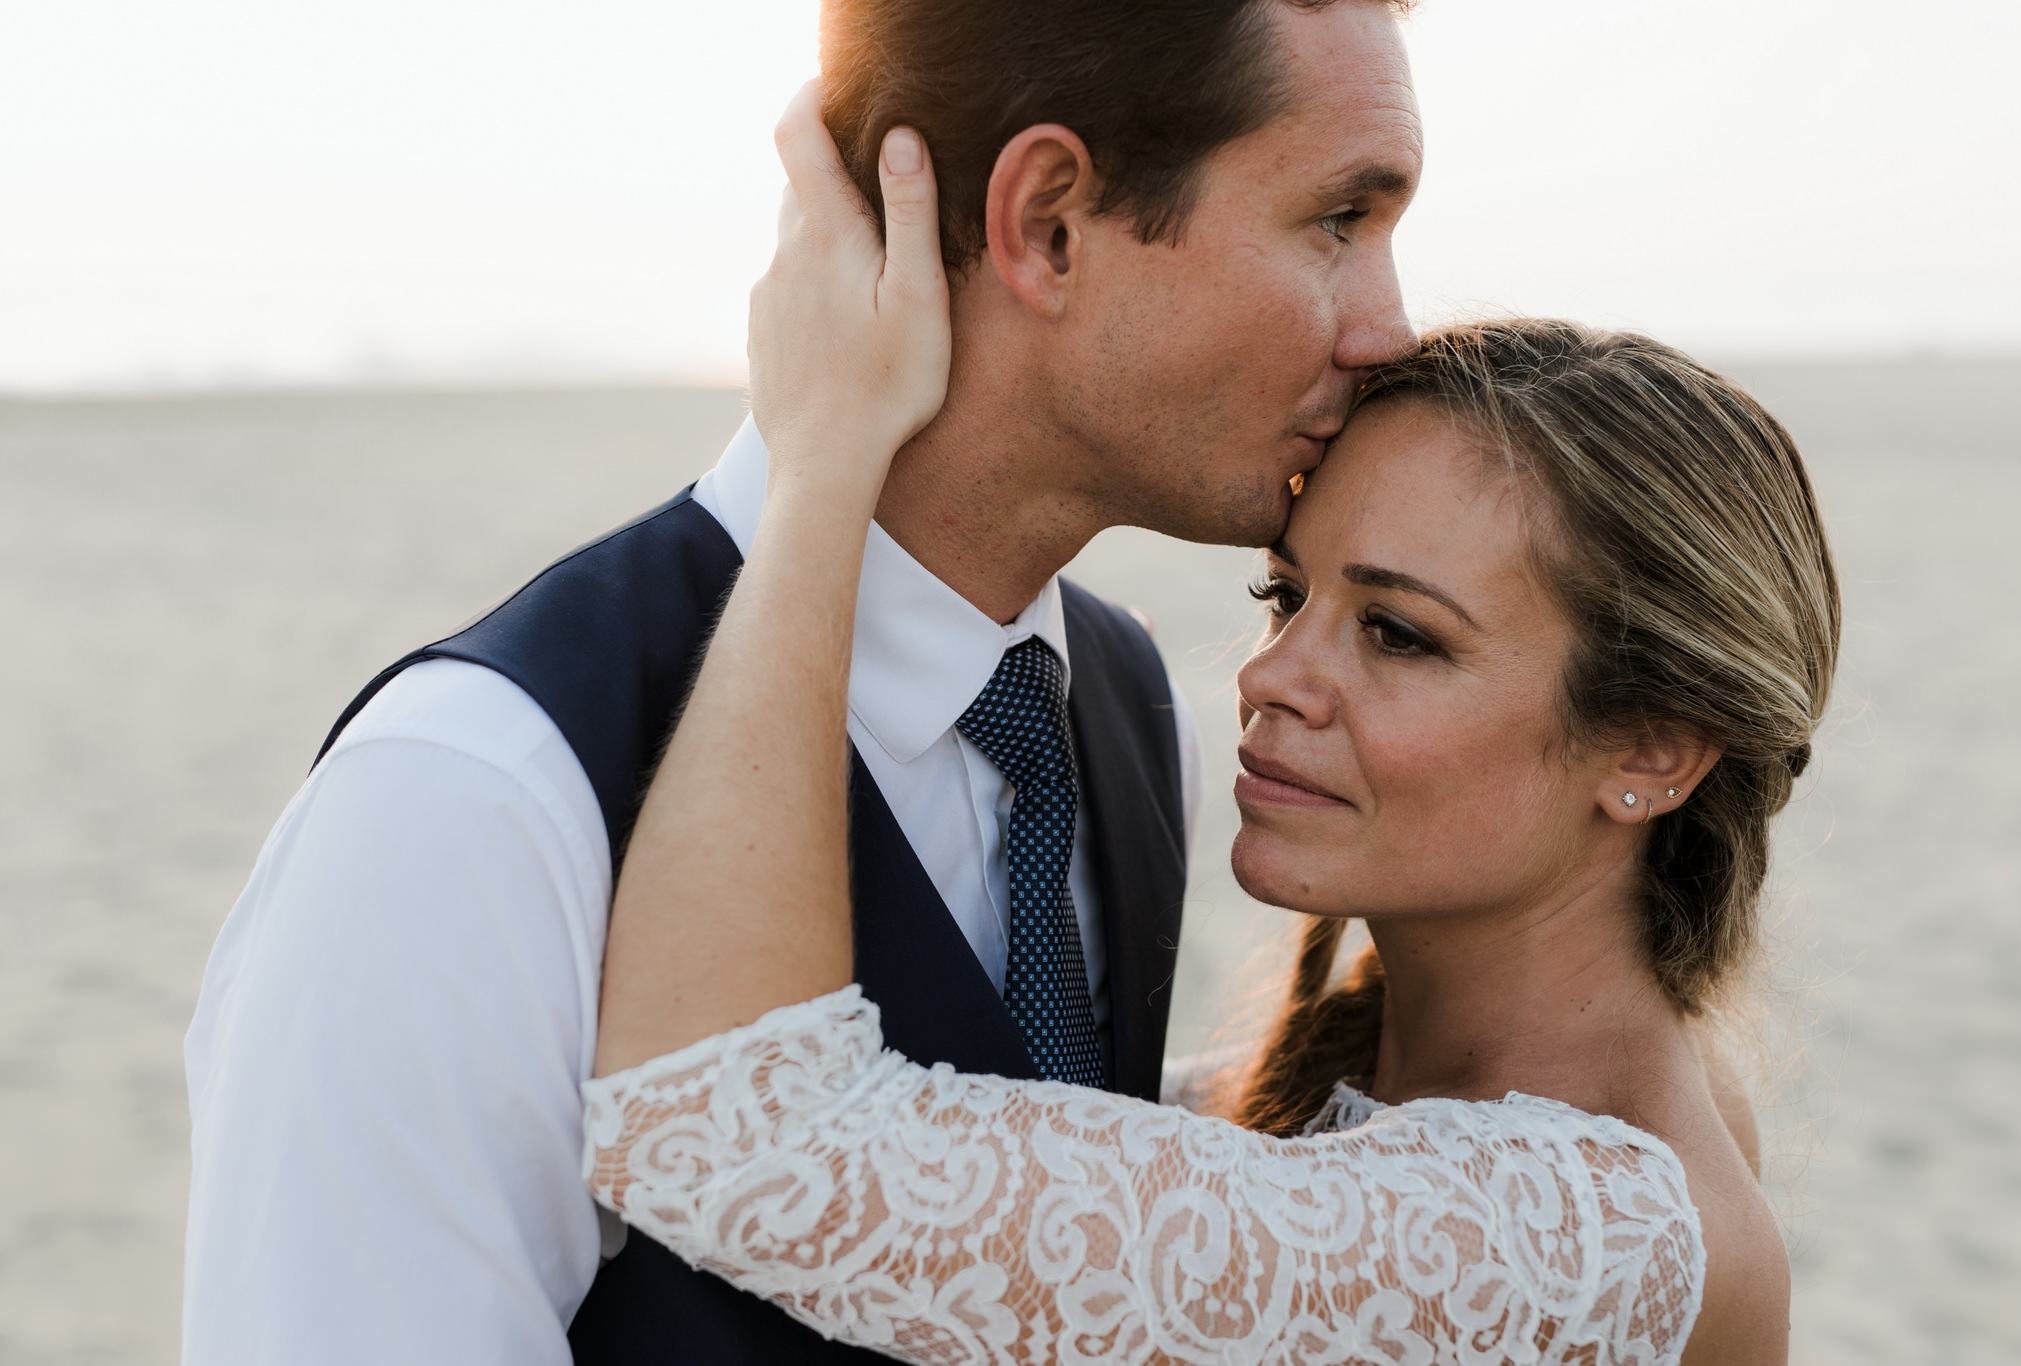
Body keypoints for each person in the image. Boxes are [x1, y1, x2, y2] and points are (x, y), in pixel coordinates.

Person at [181, 2, 1421, 1361]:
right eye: (1339, 222)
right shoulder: (471, 799)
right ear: (1049, 223)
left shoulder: (1131, 710)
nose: (1390, 328)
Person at [572, 87, 1837, 1366]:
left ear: (1653, 750)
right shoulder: (1364, 1096)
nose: (1272, 676)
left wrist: (823, 447)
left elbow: (731, 1134)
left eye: (1397, 633)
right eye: (1286, 593)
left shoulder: (1584, 1237)